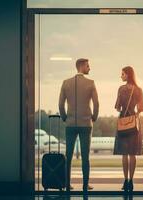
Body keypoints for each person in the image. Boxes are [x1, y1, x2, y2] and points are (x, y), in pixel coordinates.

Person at [59, 58, 99, 192]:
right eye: (88, 66)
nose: (90, 68)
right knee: (85, 156)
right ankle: (85, 185)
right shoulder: (90, 83)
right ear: (81, 66)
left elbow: (60, 104)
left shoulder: (66, 83)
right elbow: (96, 103)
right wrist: (93, 117)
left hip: (70, 124)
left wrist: (65, 118)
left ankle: (67, 184)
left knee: (68, 155)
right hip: (85, 124)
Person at [113, 66, 143, 192]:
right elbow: (141, 108)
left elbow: (117, 107)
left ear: (127, 75)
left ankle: (125, 180)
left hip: (123, 122)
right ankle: (131, 181)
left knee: (124, 154)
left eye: (122, 74)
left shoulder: (121, 89)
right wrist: (135, 114)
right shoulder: (138, 90)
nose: (121, 76)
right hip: (133, 123)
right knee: (132, 154)